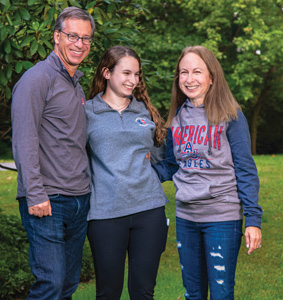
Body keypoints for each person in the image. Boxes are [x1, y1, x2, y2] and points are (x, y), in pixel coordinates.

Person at [153, 45, 263, 300]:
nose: (189, 79)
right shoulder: (178, 117)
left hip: (222, 217)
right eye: (183, 72)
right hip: (186, 217)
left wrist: (253, 219)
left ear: (212, 77)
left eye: (197, 72)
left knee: (222, 294)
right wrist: (134, 168)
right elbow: (171, 165)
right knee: (193, 294)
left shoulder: (230, 116)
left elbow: (246, 170)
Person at [11, 7, 95, 300]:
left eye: (86, 39)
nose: (79, 44)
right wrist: (35, 193)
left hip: (79, 199)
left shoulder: (77, 84)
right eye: (72, 36)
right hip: (48, 201)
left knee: (69, 285)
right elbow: (24, 139)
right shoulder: (37, 80)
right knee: (52, 284)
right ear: (57, 36)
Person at [85, 45, 171, 300]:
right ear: (107, 73)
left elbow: (165, 155)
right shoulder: (86, 112)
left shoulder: (145, 111)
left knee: (143, 293)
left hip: (150, 210)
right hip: (105, 214)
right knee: (108, 293)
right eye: (126, 73)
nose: (132, 80)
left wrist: (155, 174)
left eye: (136, 74)